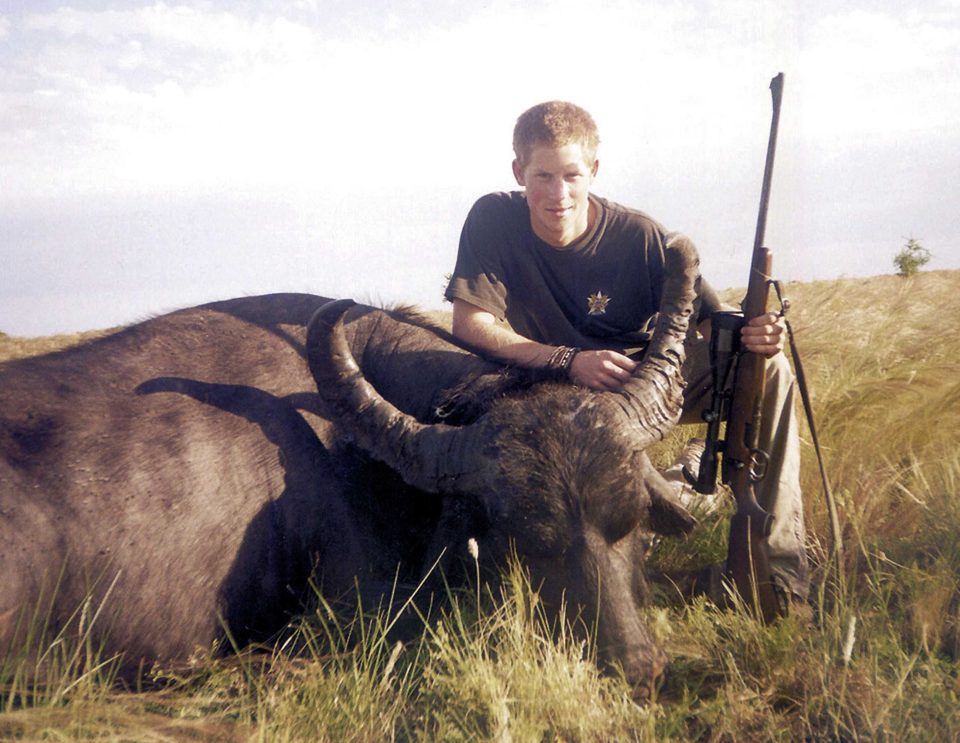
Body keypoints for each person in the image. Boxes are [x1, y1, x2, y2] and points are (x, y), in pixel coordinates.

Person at [443, 100, 809, 608]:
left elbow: (713, 321)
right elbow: (471, 322)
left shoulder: (639, 236)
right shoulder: (491, 218)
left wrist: (756, 337)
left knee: (769, 371)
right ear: (517, 172)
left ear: (593, 170)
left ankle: (781, 570)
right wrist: (567, 360)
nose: (557, 193)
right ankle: (683, 487)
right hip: (546, 397)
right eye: (542, 175)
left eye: (572, 175)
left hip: (634, 393)